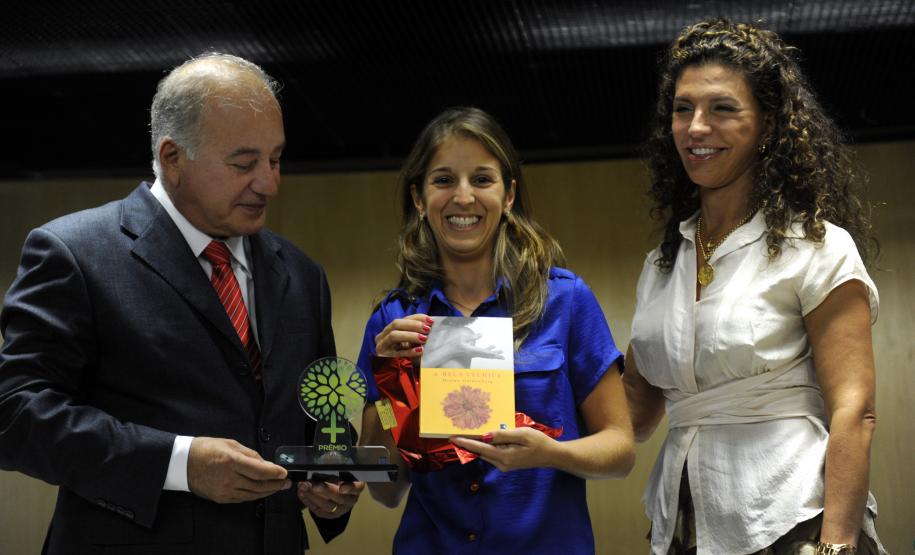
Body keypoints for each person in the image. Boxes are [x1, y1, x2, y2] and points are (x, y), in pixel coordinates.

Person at [0, 53, 362, 554]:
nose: (269, 183)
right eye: (244, 164)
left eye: (276, 159)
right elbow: (16, 414)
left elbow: (322, 411)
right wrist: (179, 463)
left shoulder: (303, 274)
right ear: (173, 157)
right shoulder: (74, 252)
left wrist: (333, 477)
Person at [624, 19, 886, 555]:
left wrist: (835, 547)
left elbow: (854, 411)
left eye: (722, 108)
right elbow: (633, 415)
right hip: (684, 526)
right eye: (683, 109)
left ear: (768, 126)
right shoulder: (662, 264)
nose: (696, 127)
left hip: (794, 520)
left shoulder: (816, 247)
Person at [356, 106, 635, 554]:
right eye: (444, 180)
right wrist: (391, 384)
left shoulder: (565, 301)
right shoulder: (392, 320)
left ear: (508, 196)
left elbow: (620, 451)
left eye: (482, 179)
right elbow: (384, 490)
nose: (463, 197)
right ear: (419, 198)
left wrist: (550, 453)